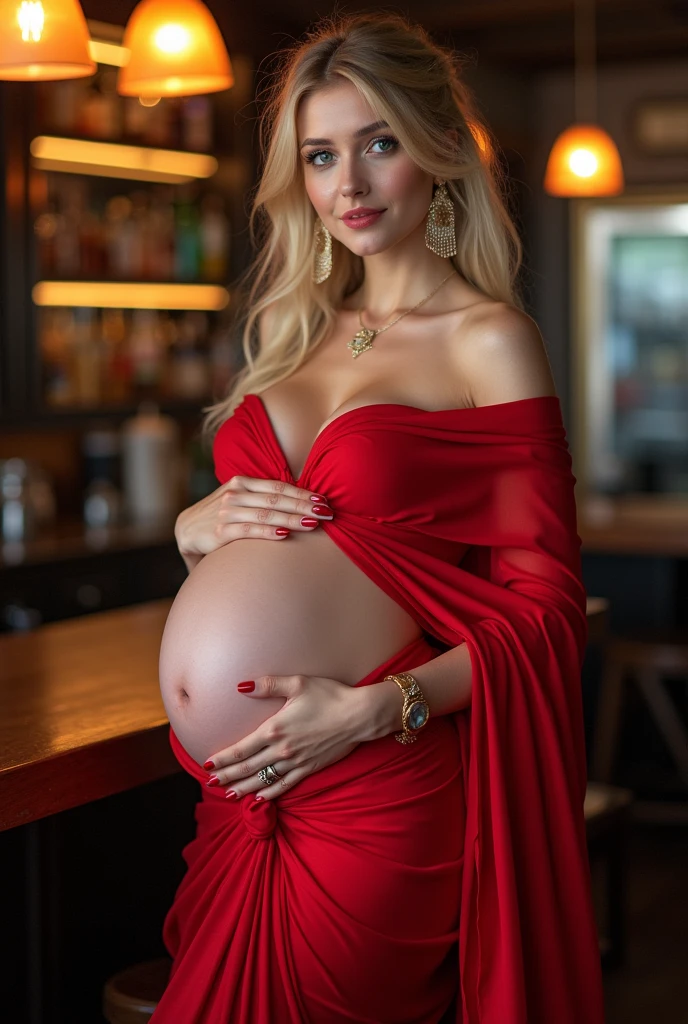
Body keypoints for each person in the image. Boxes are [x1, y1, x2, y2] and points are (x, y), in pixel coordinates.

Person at [153, 12, 606, 1024]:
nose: (347, 184)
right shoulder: (289, 328)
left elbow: (544, 612)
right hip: (238, 802)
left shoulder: (489, 340)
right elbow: (258, 534)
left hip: (372, 788)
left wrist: (374, 707)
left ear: (438, 152)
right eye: (320, 155)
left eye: (379, 143)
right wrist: (192, 524)